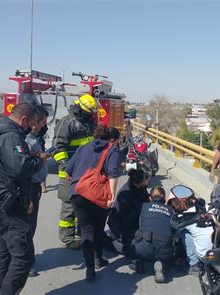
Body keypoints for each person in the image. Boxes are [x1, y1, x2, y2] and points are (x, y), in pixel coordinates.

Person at [0, 102, 50, 295]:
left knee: (3, 252)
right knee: (23, 256)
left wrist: (28, 157)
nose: (32, 128)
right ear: (24, 119)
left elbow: (8, 162)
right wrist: (38, 160)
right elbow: (20, 168)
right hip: (7, 202)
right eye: (32, 123)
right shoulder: (12, 135)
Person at [65, 125, 121, 282]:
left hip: (77, 193)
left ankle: (90, 268)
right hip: (97, 195)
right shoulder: (112, 149)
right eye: (116, 141)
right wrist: (111, 195)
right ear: (111, 140)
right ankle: (98, 259)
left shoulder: (84, 147)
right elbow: (113, 174)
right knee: (97, 228)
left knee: (86, 230)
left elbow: (69, 170)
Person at [53, 94, 97, 249]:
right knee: (69, 206)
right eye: (89, 112)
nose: (91, 114)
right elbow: (58, 148)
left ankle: (80, 232)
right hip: (69, 172)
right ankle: (67, 237)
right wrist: (66, 168)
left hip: (86, 172)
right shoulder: (67, 122)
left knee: (83, 204)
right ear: (80, 108)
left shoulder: (89, 122)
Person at [130, 186, 175, 283]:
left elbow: (137, 223)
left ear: (150, 198)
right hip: (164, 250)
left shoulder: (144, 206)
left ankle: (138, 262)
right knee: (168, 256)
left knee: (134, 240)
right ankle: (161, 264)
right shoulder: (171, 211)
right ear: (165, 199)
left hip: (144, 248)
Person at [25, 105, 49, 277]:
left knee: (31, 225)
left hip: (35, 186)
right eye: (42, 123)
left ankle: (27, 257)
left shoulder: (35, 138)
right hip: (28, 187)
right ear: (33, 122)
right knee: (26, 226)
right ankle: (24, 262)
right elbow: (24, 169)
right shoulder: (27, 140)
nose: (43, 127)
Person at [108, 168, 151, 256]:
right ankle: (109, 243)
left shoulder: (139, 187)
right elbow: (125, 219)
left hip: (131, 219)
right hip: (120, 224)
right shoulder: (125, 193)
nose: (147, 183)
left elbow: (146, 201)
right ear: (137, 183)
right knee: (132, 248)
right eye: (146, 181)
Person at [168, 196, 213, 277]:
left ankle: (194, 264)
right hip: (218, 254)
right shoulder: (207, 208)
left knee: (184, 232)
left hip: (204, 256)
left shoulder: (185, 217)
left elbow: (175, 230)